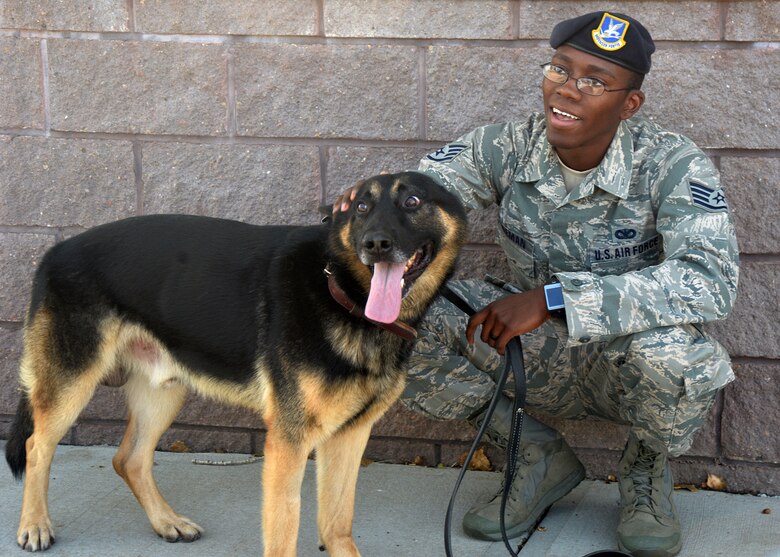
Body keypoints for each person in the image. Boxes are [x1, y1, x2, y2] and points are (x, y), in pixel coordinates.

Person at [335, 11, 739, 557]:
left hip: (626, 359)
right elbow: (430, 194)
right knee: (391, 324)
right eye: (559, 69)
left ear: (629, 104)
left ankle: (645, 473)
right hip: (531, 352)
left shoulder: (671, 162)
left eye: (594, 80)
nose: (567, 90)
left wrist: (555, 300)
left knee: (681, 359)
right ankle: (534, 456)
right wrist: (380, 201)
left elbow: (710, 281)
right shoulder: (505, 145)